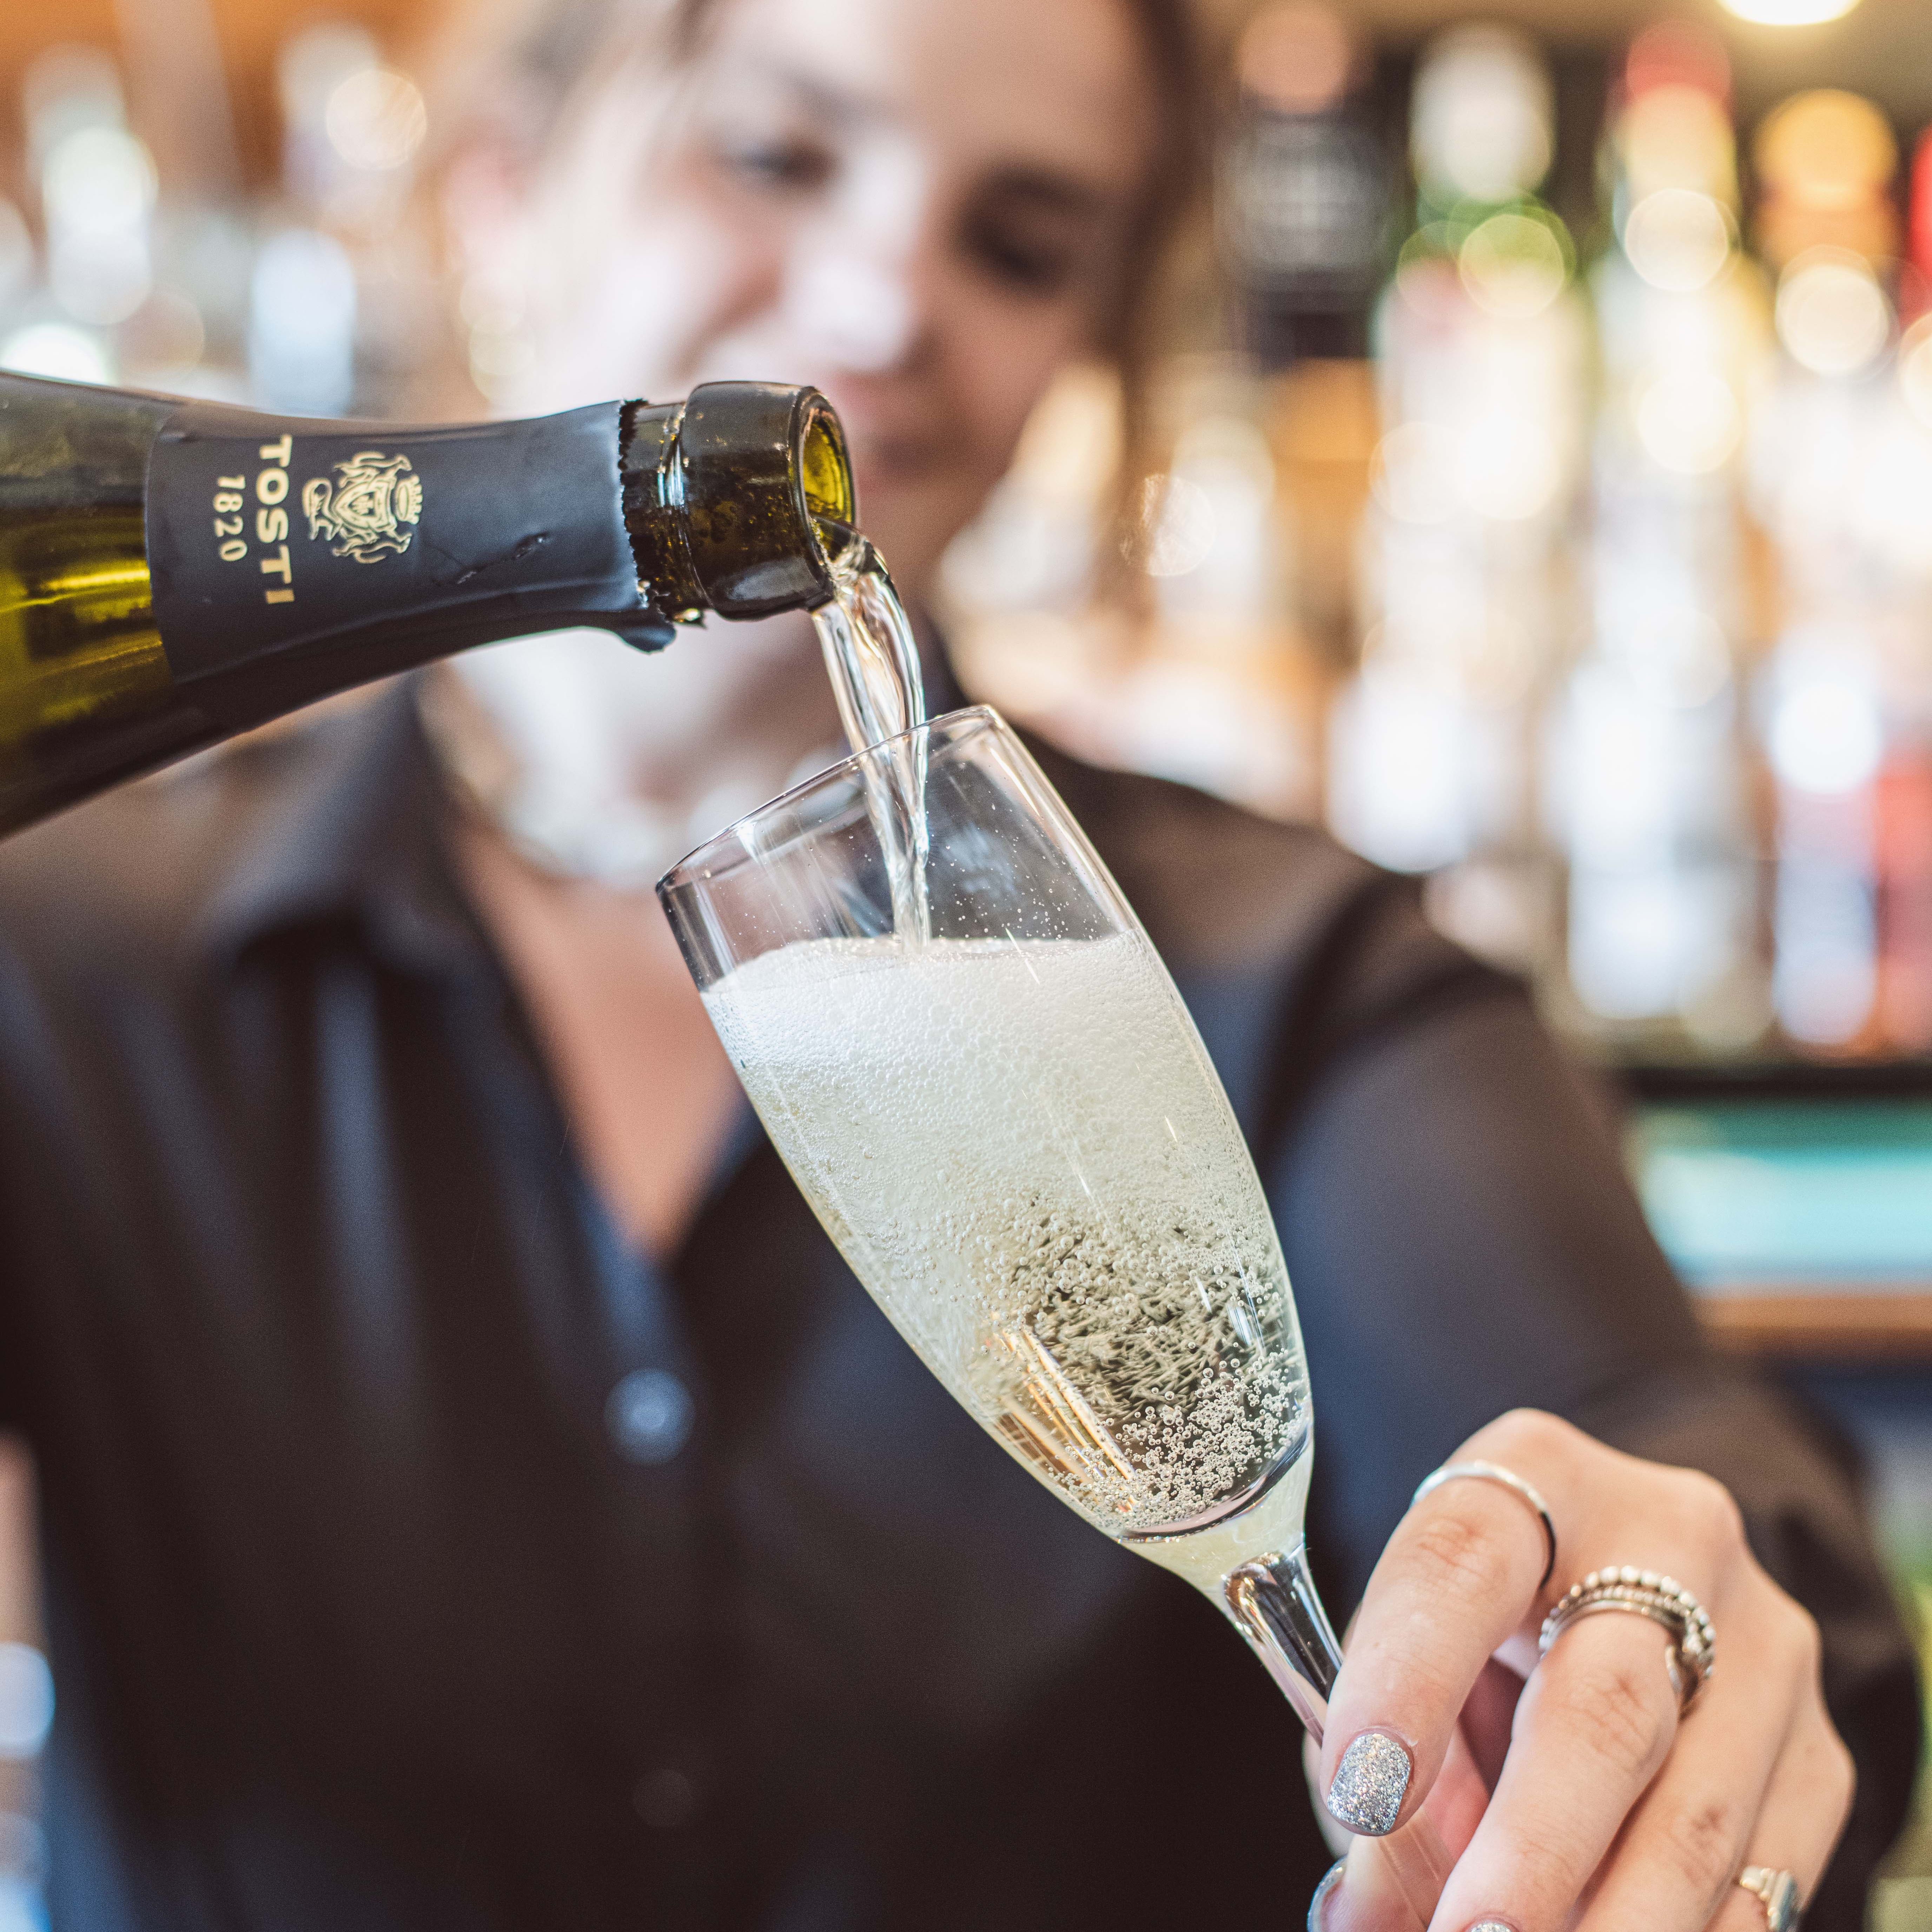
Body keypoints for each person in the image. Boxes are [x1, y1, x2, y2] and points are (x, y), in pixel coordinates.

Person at [0, 0, 1916, 1926]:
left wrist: (1676, 1607)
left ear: (1078, 352)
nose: (887, 299)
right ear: (502, 188)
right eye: (774, 154)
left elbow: (1666, 1447)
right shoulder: (66, 962)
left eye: (1018, 243)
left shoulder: (1283, 976)